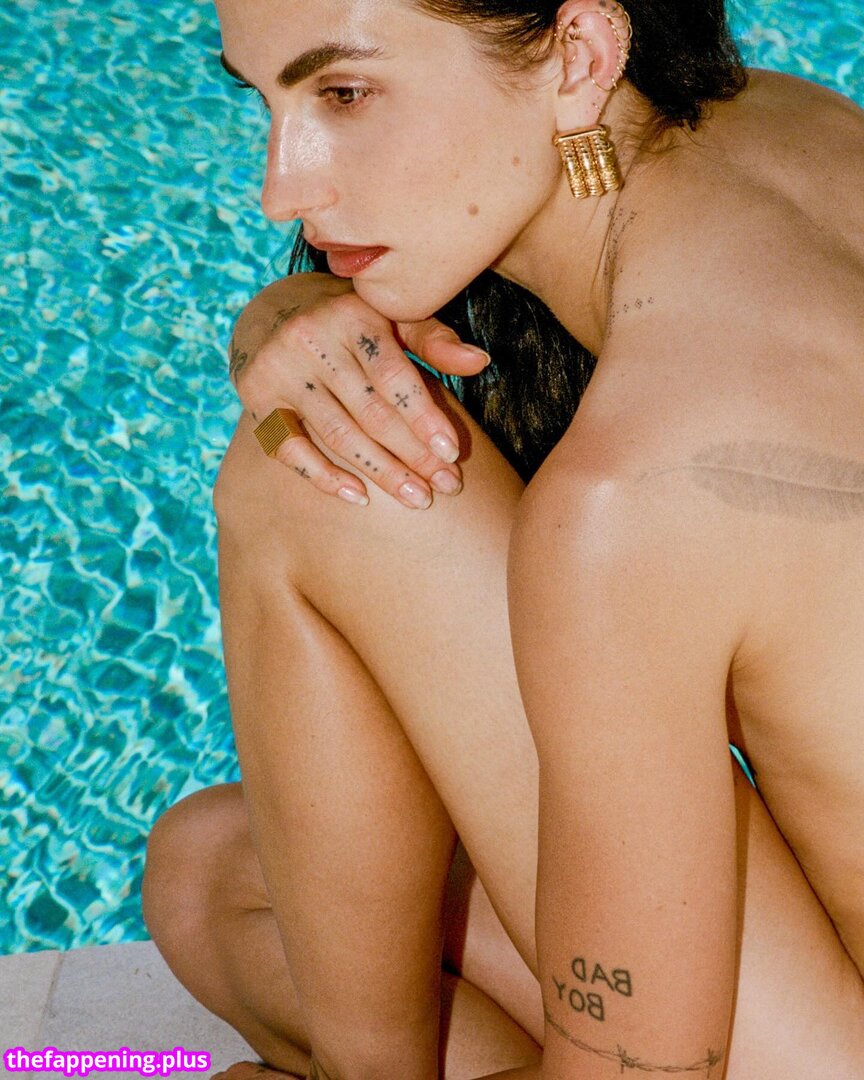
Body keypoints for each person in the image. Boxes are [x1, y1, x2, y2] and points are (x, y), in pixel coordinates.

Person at [142, 1, 864, 1078]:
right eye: (266, 101)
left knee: (309, 471)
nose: (280, 189)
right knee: (212, 873)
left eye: (345, 92)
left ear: (579, 54)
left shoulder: (639, 493)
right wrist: (285, 315)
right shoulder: (788, 129)